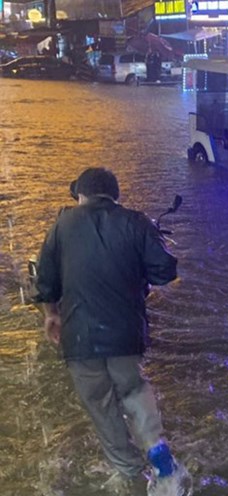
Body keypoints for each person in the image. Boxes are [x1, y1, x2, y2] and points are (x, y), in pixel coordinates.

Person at [35, 168, 186, 493]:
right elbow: (165, 270)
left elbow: (45, 279)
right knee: (133, 389)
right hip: (124, 334)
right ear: (114, 195)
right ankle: (157, 449)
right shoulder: (136, 221)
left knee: (101, 406)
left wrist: (52, 315)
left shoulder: (62, 224)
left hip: (78, 338)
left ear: (82, 195)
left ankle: (129, 472)